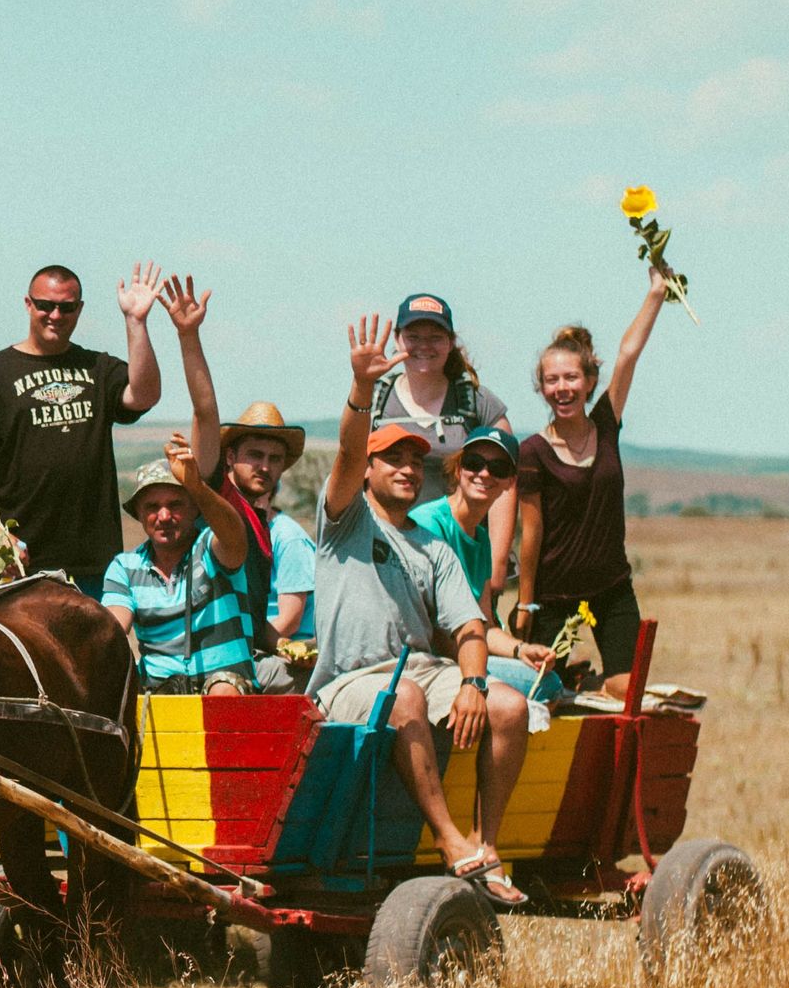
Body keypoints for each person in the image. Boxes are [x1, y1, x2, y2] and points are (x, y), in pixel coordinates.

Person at [309, 315, 531, 907]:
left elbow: (469, 627)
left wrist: (476, 684)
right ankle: (447, 837)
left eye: (415, 461)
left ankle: (488, 847)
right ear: (368, 473)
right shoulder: (344, 521)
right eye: (391, 460)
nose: (406, 469)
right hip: (352, 678)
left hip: (422, 670)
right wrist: (361, 391)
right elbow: (348, 450)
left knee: (510, 706)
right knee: (401, 695)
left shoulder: (432, 547)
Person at [0, 262, 162, 598]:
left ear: (79, 309)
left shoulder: (98, 368)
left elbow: (144, 394)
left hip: (88, 563)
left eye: (66, 307)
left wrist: (136, 322)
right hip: (11, 564)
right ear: (28, 304)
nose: (55, 315)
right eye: (45, 305)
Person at [514, 262, 677, 701]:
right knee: (538, 696)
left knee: (629, 692)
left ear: (589, 382)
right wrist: (525, 603)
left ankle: (587, 683)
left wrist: (657, 294)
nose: (562, 388)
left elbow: (627, 355)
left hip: (611, 589)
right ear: (541, 388)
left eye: (571, 378)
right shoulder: (531, 451)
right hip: (554, 595)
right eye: (552, 380)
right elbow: (531, 534)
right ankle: (570, 682)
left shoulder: (606, 424)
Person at [371, 292, 516, 617]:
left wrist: (497, 561)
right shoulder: (376, 402)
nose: (424, 345)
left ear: (451, 342)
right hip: (394, 555)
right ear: (397, 340)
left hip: (464, 554)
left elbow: (506, 481)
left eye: (435, 337)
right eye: (414, 337)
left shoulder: (478, 403)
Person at [410, 427, 559, 701]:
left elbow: (485, 625)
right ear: (458, 469)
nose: (484, 474)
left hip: (466, 654)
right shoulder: (429, 524)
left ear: (510, 483)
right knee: (546, 687)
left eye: (498, 468)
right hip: (430, 662)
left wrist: (521, 649)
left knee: (545, 679)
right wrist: (477, 669)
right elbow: (432, 628)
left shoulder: (481, 539)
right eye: (474, 463)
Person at [102, 435, 255, 694]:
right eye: (152, 507)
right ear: (139, 514)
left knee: (222, 691)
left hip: (225, 690)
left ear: (195, 509)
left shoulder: (211, 548)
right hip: (157, 693)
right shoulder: (125, 568)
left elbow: (235, 537)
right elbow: (112, 630)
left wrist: (197, 486)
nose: (164, 516)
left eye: (175, 505)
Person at [219, 402, 315, 648]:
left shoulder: (288, 536)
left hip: (281, 646)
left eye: (274, 459)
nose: (264, 467)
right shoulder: (235, 516)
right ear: (230, 457)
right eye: (255, 455)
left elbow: (290, 620)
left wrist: (245, 652)